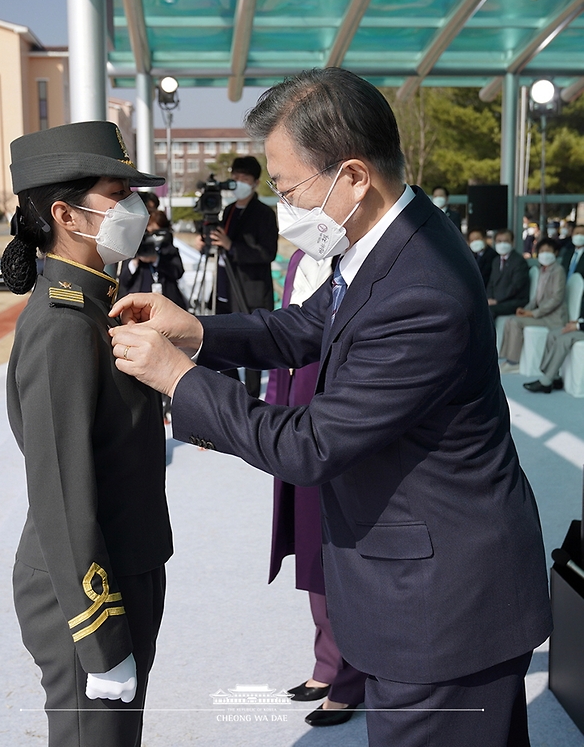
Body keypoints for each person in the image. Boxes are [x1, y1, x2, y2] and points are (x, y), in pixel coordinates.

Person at [108, 68, 552, 747]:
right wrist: (193, 329)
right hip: (434, 592)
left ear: (351, 176)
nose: (286, 207)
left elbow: (310, 445)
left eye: (290, 189)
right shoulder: (384, 239)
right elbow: (299, 328)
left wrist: (180, 379)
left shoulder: (419, 288)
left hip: (444, 610)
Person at [1, 121, 173, 747]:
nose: (136, 208)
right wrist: (99, 639)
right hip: (90, 592)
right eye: (117, 192)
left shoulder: (98, 304)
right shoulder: (63, 326)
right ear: (66, 215)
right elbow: (63, 495)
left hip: (126, 563)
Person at [266, 249, 367, 728]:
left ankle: (351, 677)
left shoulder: (363, 257)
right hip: (295, 410)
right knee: (309, 545)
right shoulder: (301, 257)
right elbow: (285, 331)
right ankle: (328, 663)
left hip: (333, 418)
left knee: (338, 549)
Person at [197, 155, 278, 397]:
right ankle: (234, 391)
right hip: (224, 288)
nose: (238, 183)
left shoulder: (263, 213)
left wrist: (232, 245)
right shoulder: (229, 210)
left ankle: (252, 395)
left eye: (244, 179)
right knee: (223, 341)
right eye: (235, 178)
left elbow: (267, 253)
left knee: (251, 344)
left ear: (255, 182)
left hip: (249, 291)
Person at [499, 237, 567, 373]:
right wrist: (525, 310)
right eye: (542, 251)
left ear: (556, 253)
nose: (545, 254)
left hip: (553, 318)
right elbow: (536, 298)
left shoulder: (558, 270)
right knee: (510, 320)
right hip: (541, 314)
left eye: (548, 251)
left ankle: (514, 362)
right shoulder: (543, 270)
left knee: (514, 323)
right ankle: (508, 359)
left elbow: (556, 299)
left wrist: (533, 313)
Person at [118, 209, 187, 309]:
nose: (153, 237)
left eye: (157, 233)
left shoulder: (169, 250)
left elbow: (178, 272)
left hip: (166, 302)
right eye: (150, 232)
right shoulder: (134, 249)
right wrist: (135, 262)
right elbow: (123, 280)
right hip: (138, 303)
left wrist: (157, 260)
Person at [486, 229, 530, 318]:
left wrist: (497, 300)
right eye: (499, 241)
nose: (502, 244)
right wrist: (489, 298)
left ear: (512, 242)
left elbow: (516, 286)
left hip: (514, 301)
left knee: (489, 311)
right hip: (498, 301)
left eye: (506, 241)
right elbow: (491, 282)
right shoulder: (496, 261)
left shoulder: (519, 261)